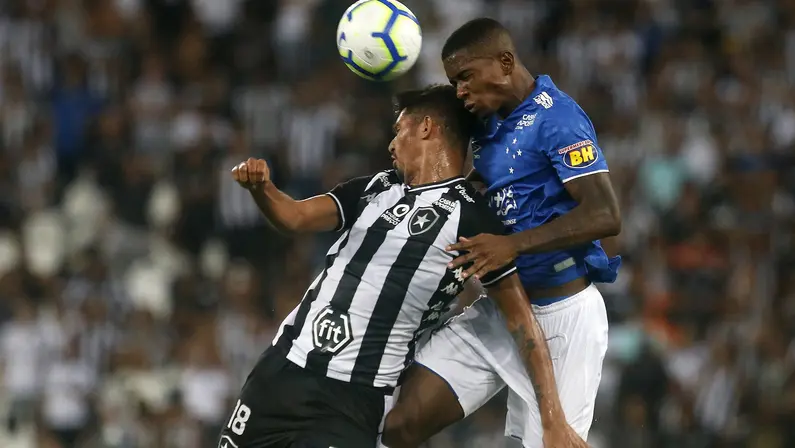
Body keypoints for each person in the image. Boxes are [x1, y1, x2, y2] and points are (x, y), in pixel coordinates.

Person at [216, 85, 581, 448]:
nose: (391, 145)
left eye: (398, 131)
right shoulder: (378, 187)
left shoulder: (472, 219)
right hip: (282, 371)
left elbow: (520, 320)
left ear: (425, 128)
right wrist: (262, 190)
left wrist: (552, 420)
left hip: (351, 403)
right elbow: (295, 217)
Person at [382, 18, 622, 448]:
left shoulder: (558, 119)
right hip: (503, 311)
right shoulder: (488, 123)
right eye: (454, 82)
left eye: (465, 77)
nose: (460, 92)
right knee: (400, 422)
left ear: (505, 62)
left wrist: (511, 244)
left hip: (563, 317)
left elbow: (605, 213)